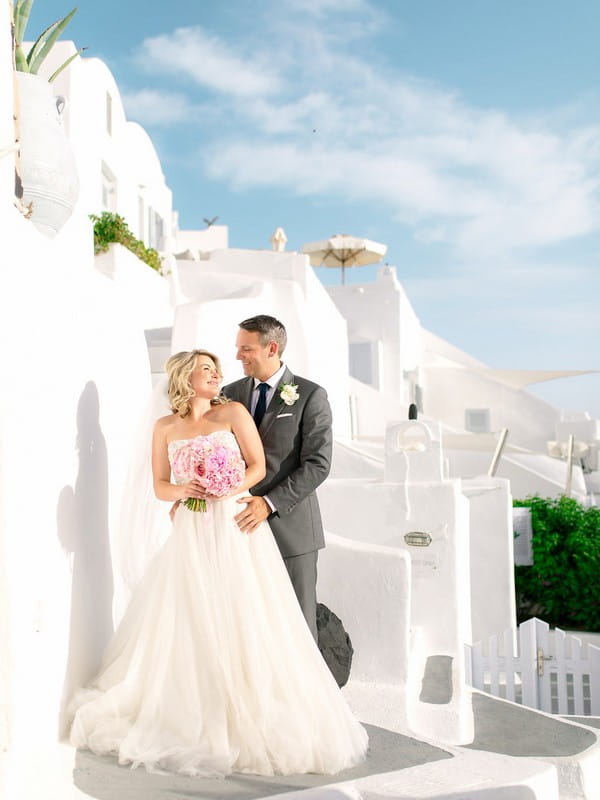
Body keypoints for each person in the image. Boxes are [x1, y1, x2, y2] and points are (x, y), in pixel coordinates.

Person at [69, 349, 368, 777]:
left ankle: (254, 708)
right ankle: (193, 709)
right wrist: (187, 490)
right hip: (191, 528)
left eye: (216, 370)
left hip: (233, 524)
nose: (217, 374)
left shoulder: (232, 413)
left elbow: (257, 465)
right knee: (192, 615)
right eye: (206, 369)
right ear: (185, 377)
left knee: (246, 611)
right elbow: (159, 485)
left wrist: (225, 486)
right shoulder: (165, 427)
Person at [221, 315, 331, 641]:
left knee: (297, 624)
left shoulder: (311, 395)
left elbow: (318, 464)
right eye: (238, 348)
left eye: (246, 348)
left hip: (291, 530)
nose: (239, 355)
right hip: (238, 527)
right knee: (248, 622)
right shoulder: (229, 394)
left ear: (271, 348)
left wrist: (268, 504)